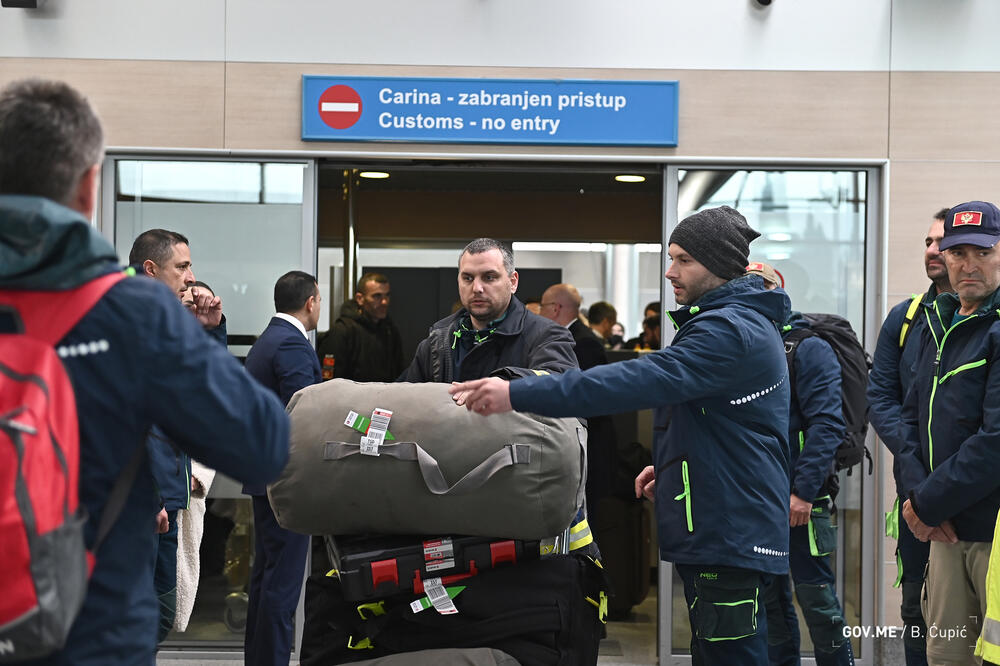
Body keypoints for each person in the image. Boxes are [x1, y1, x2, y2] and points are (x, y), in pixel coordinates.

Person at [0, 77, 289, 666]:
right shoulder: (132, 315)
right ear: (88, 186)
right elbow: (263, 446)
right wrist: (189, 334)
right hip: (89, 632)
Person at [451, 206, 792, 665]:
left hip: (728, 532)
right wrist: (675, 465)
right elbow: (731, 424)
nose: (670, 271)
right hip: (734, 523)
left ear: (719, 263)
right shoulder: (743, 322)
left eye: (684, 259)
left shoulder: (728, 330)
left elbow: (633, 380)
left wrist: (517, 392)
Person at [895, 200, 1000, 665]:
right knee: (946, 655)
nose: (968, 264)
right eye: (958, 253)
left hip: (991, 533)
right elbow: (913, 418)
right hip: (945, 532)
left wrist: (925, 503)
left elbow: (995, 440)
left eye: (983, 251)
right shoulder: (935, 323)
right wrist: (922, 497)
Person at [129, 230, 227, 642]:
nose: (191, 278)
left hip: (163, 501)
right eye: (182, 267)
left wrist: (210, 329)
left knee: (156, 619)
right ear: (151, 269)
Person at [866, 209, 951, 666]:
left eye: (944, 242)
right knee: (914, 607)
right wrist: (917, 469)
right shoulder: (906, 317)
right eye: (928, 241)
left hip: (975, 497)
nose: (933, 251)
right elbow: (879, 395)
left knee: (971, 618)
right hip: (913, 494)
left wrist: (947, 484)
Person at [760, 267, 854, 665]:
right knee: (771, 601)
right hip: (760, 499)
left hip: (803, 501)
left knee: (817, 600)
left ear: (777, 291)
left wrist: (803, 492)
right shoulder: (749, 344)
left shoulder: (807, 347)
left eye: (759, 285)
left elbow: (828, 424)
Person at [243, 271, 323, 666]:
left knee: (266, 578)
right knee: (282, 585)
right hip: (286, 481)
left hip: (264, 475)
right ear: (311, 302)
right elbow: (301, 410)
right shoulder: (291, 344)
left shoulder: (266, 340)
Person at [400, 238, 578, 383]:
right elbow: (404, 398)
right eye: (468, 278)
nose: (477, 288)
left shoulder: (547, 336)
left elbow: (565, 385)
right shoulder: (438, 341)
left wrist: (506, 385)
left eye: (489, 277)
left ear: (513, 282)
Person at [539, 282, 618, 506]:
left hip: (589, 450)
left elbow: (589, 398)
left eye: (542, 307)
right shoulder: (569, 339)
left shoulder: (582, 343)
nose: (539, 314)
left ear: (555, 308)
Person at [315, 272, 404, 382]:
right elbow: (329, 382)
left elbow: (399, 374)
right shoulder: (342, 331)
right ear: (360, 298)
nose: (384, 302)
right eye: (377, 296)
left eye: (387, 295)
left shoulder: (390, 331)